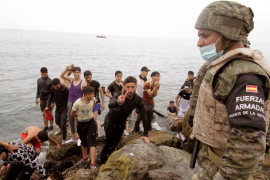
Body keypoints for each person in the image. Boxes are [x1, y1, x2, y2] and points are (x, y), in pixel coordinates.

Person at [191, 1, 270, 179]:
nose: (199, 42)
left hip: (227, 170)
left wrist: (226, 177)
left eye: (205, 35)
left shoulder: (244, 75)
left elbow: (249, 139)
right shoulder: (225, 65)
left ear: (228, 36)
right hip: (213, 163)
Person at [97, 76, 150, 164]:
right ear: (124, 87)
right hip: (111, 121)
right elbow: (111, 105)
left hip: (121, 124)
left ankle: (101, 159)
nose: (130, 89)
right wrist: (118, 102)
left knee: (114, 143)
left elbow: (144, 117)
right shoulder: (118, 95)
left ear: (136, 87)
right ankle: (108, 162)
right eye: (128, 87)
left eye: (132, 87)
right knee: (110, 144)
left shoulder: (137, 99)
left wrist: (146, 134)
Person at [71, 86, 97, 170]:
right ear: (87, 95)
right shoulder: (77, 103)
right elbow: (72, 113)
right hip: (81, 123)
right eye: (92, 94)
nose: (94, 95)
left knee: (92, 142)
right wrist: (80, 115)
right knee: (83, 141)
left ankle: (92, 163)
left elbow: (94, 104)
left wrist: (90, 112)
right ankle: (85, 157)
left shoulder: (93, 99)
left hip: (91, 122)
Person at [60, 64, 87, 144]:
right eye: (74, 72)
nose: (76, 74)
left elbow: (85, 95)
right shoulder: (71, 80)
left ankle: (79, 137)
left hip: (78, 104)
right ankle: (73, 137)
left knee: (79, 120)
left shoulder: (83, 83)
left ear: (80, 73)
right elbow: (62, 76)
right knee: (71, 120)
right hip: (70, 102)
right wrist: (66, 69)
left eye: (78, 72)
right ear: (72, 73)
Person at [106, 71, 129, 135]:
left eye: (120, 76)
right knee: (114, 116)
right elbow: (107, 93)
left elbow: (127, 91)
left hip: (123, 101)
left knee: (123, 116)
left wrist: (123, 87)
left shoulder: (124, 83)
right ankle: (113, 129)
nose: (119, 77)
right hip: (114, 102)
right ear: (115, 76)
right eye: (118, 76)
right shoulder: (112, 84)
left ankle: (123, 130)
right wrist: (113, 97)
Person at [46, 78, 69, 143]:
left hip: (65, 108)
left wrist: (68, 110)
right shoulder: (53, 88)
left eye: (57, 86)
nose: (55, 88)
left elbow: (69, 100)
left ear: (60, 84)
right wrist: (48, 106)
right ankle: (61, 130)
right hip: (58, 108)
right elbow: (51, 97)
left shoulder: (65, 89)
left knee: (63, 124)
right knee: (57, 121)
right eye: (54, 86)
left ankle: (64, 138)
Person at [35, 67, 53, 132]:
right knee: (43, 113)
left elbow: (52, 92)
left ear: (47, 73)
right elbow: (38, 90)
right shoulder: (39, 80)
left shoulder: (50, 81)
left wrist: (52, 102)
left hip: (48, 98)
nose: (43, 75)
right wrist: (36, 98)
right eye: (42, 74)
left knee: (50, 113)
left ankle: (51, 126)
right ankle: (46, 126)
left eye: (44, 74)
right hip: (42, 98)